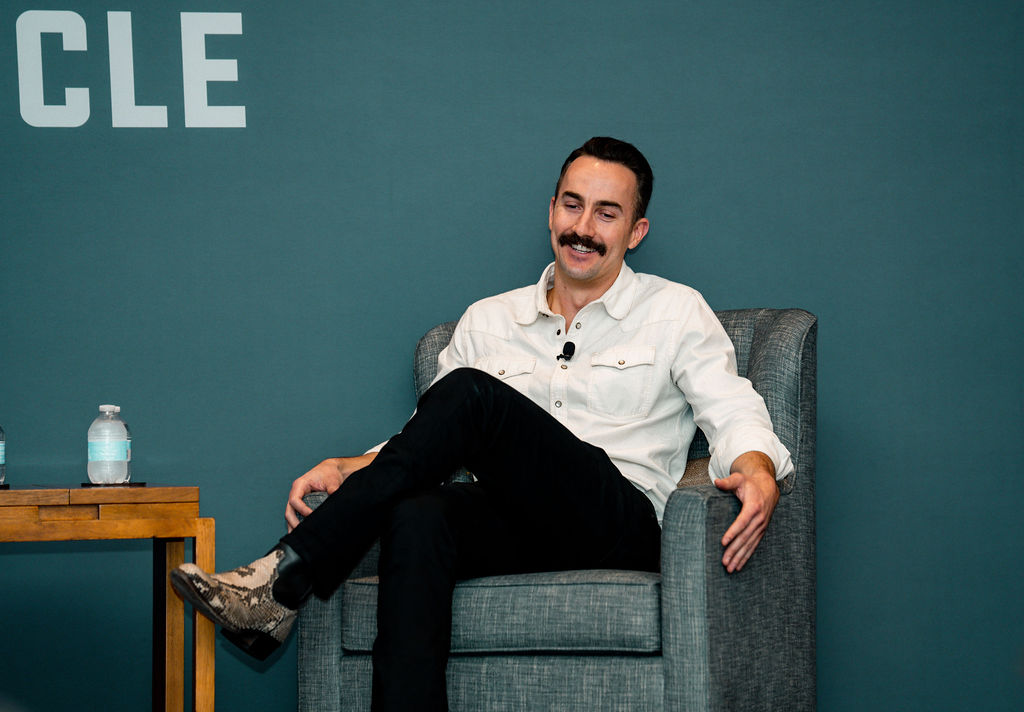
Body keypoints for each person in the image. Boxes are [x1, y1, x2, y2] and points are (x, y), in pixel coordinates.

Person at [171, 136, 793, 710]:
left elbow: (731, 406)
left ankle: (284, 576)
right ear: (551, 211)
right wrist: (353, 466)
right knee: (419, 512)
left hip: (616, 522)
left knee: (473, 394)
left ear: (636, 232)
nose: (582, 228)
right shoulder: (489, 320)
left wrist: (758, 469)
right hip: (514, 522)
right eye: (572, 205)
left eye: (606, 214)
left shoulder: (675, 311)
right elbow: (428, 436)